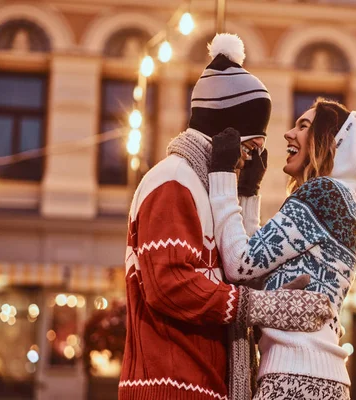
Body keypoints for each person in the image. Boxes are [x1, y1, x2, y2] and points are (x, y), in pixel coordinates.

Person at [118, 34, 333, 400]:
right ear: (225, 133)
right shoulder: (173, 181)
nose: (252, 157)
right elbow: (169, 283)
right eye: (249, 147)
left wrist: (246, 196)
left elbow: (236, 270)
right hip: (171, 386)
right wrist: (263, 307)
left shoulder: (207, 189)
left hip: (201, 385)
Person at [209, 99, 356, 399]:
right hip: (316, 377)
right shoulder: (340, 203)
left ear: (330, 142)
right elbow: (252, 272)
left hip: (295, 378)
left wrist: (222, 177)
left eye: (303, 126)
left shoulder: (324, 194)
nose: (289, 133)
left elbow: (239, 263)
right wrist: (248, 194)